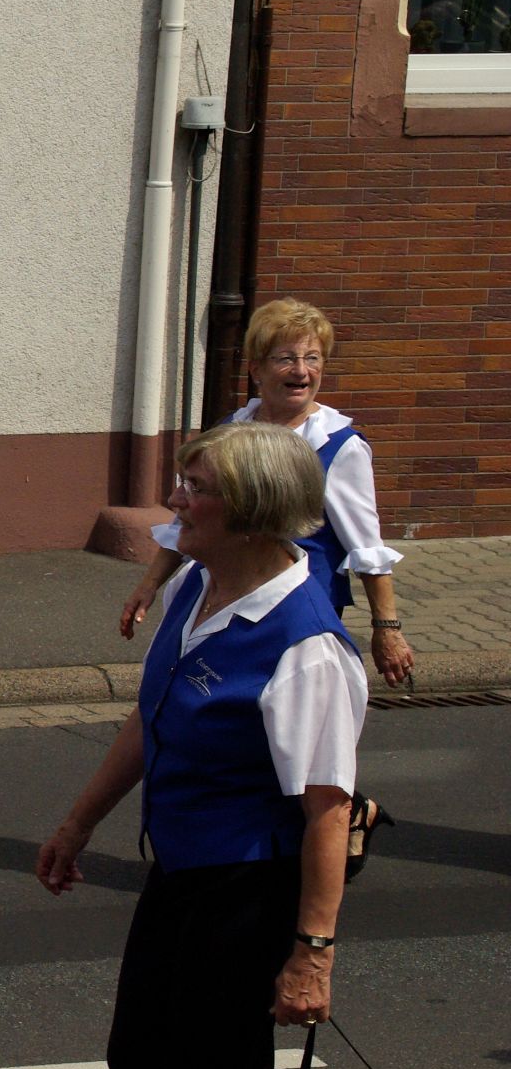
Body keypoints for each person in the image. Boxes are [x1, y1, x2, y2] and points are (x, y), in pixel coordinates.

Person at [38, 421, 367, 1069]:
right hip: (184, 872)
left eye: (195, 488)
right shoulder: (196, 583)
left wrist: (312, 956)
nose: (173, 499)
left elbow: (327, 812)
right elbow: (152, 714)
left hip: (248, 891)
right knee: (143, 1060)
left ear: (249, 508)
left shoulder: (306, 645)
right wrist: (78, 823)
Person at [121, 298, 408, 869]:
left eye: (312, 357)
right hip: (220, 594)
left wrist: (387, 627)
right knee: (219, 723)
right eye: (286, 358)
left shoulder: (340, 447)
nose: (301, 370)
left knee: (297, 742)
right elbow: (186, 522)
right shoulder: (234, 430)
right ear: (256, 368)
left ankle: (307, 838)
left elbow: (365, 545)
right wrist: (150, 586)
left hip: (293, 601)